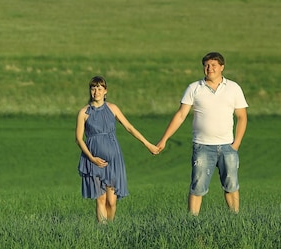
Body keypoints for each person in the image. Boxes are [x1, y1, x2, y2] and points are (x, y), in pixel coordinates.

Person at [156, 52, 248, 215]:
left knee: (231, 185)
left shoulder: (233, 88)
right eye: (206, 65)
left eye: (213, 65)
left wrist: (236, 144)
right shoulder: (194, 88)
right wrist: (164, 139)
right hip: (203, 147)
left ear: (222, 67)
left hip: (228, 147)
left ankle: (235, 218)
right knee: (197, 186)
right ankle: (192, 220)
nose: (209, 68)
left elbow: (242, 117)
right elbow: (180, 115)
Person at [75, 75, 159, 223]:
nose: (96, 92)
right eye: (93, 88)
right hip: (93, 160)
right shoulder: (83, 112)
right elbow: (79, 139)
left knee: (111, 202)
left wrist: (148, 144)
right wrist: (91, 158)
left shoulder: (112, 108)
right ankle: (102, 232)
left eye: (99, 89)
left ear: (105, 91)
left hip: (113, 160)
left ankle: (111, 226)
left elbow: (129, 127)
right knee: (100, 199)